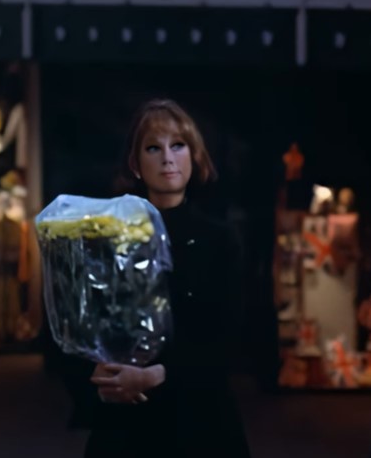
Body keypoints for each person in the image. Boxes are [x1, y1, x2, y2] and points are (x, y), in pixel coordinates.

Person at [84, 99, 251, 457]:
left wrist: (155, 375)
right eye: (153, 148)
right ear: (135, 164)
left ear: (195, 155)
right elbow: (89, 324)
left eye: (178, 145)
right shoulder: (111, 235)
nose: (167, 158)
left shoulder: (220, 238)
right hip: (127, 424)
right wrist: (100, 374)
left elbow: (230, 338)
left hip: (201, 421)